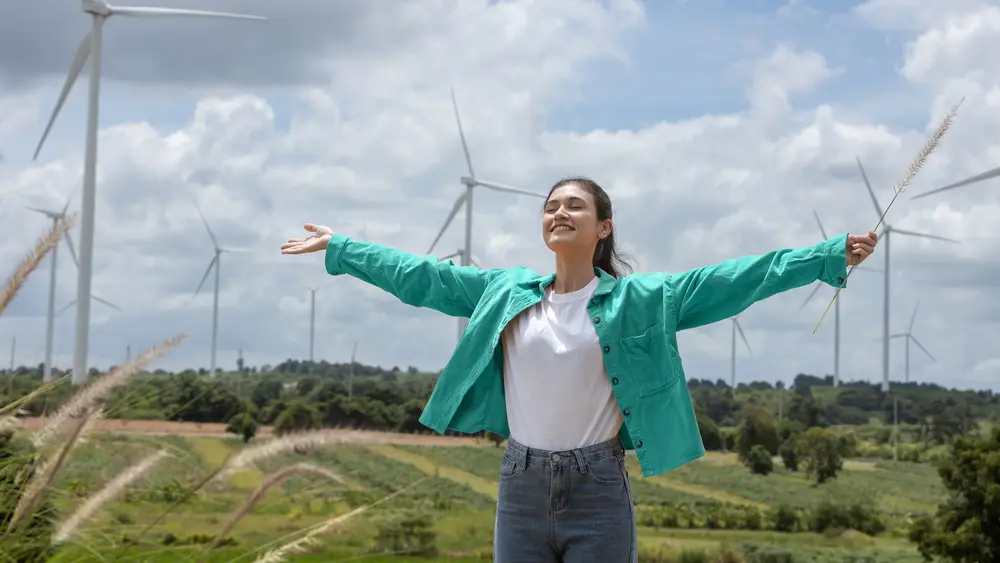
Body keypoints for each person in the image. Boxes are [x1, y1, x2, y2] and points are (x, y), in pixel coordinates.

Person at [280, 176, 877, 563]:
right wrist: (342, 248)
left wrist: (824, 256)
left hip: (598, 487)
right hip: (520, 484)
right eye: (550, 207)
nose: (559, 212)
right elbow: (425, 279)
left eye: (574, 205)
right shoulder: (504, 291)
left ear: (603, 226)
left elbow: (738, 278)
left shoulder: (645, 300)